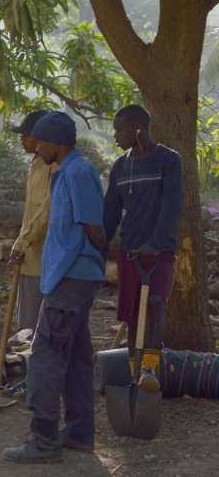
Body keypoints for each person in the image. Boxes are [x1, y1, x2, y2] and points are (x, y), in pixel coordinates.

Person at [2, 111, 105, 463]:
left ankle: (44, 440)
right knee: (76, 357)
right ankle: (79, 433)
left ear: (59, 142)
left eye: (41, 140)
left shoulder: (76, 172)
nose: (37, 146)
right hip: (69, 275)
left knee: (45, 355)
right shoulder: (65, 171)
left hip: (71, 278)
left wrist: (93, 258)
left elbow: (94, 226)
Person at [103, 104, 184, 392]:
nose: (115, 135)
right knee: (131, 313)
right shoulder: (120, 166)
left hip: (159, 251)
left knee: (155, 303)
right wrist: (100, 248)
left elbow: (172, 205)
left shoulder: (167, 160)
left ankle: (150, 367)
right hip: (131, 252)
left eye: (119, 129)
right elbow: (110, 213)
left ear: (138, 129)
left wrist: (156, 243)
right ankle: (134, 374)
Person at [1, 110, 53, 402]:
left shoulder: (51, 168)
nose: (23, 139)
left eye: (27, 135)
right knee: (26, 322)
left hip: (41, 259)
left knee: (34, 325)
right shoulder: (36, 165)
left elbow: (44, 215)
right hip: (29, 257)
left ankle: (36, 384)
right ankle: (28, 380)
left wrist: (20, 245)